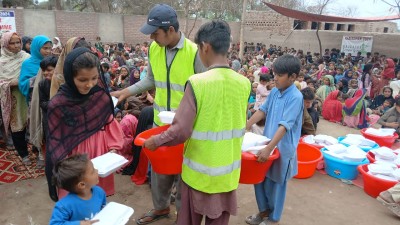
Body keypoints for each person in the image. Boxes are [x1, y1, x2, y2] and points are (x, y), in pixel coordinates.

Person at [144, 20, 250, 225]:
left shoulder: (198, 83)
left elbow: (181, 130)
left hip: (199, 175)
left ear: (205, 47)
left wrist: (156, 141)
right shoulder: (244, 83)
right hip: (227, 175)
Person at [111, 4, 205, 224]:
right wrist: (126, 91)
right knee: (159, 170)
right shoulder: (154, 49)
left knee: (184, 174)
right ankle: (161, 208)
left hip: (185, 126)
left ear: (170, 30)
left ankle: (182, 216)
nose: (152, 37)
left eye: (155, 33)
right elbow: (151, 80)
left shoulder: (194, 52)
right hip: (160, 121)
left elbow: (204, 87)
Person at [45, 47, 124, 202]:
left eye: (94, 78)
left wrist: (113, 149)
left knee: (97, 197)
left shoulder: (100, 96)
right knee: (76, 201)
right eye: (82, 80)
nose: (89, 84)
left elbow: (109, 123)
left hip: (101, 155)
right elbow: (55, 143)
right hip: (74, 160)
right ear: (69, 76)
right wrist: (69, 167)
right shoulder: (58, 104)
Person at [245, 54, 303, 225]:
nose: (275, 78)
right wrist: (246, 125)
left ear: (292, 77)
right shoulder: (275, 92)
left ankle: (273, 218)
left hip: (282, 148)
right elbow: (262, 110)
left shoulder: (296, 97)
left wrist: (269, 148)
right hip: (267, 143)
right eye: (274, 74)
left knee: (276, 184)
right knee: (259, 179)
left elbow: (284, 126)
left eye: (279, 75)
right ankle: (263, 212)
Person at [0, 32, 31, 164]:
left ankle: (36, 149)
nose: (16, 45)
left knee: (33, 122)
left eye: (18, 42)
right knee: (17, 126)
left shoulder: (27, 57)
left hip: (28, 96)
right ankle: (23, 153)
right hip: (13, 98)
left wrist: (23, 82)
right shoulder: (1, 61)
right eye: (12, 43)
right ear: (5, 44)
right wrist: (9, 83)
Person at [49, 154, 106, 225]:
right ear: (82, 185)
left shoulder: (100, 192)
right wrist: (79, 224)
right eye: (93, 171)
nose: (97, 171)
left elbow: (103, 209)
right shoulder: (64, 206)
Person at [37, 56, 58, 168]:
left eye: (49, 70)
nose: (46, 73)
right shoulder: (42, 84)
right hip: (49, 120)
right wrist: (56, 104)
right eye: (44, 70)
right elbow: (42, 103)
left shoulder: (64, 84)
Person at [19, 35, 52, 102]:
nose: (48, 51)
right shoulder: (27, 64)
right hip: (35, 98)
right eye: (45, 48)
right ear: (36, 48)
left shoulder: (51, 62)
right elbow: (23, 84)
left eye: (50, 48)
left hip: (50, 97)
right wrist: (38, 78)